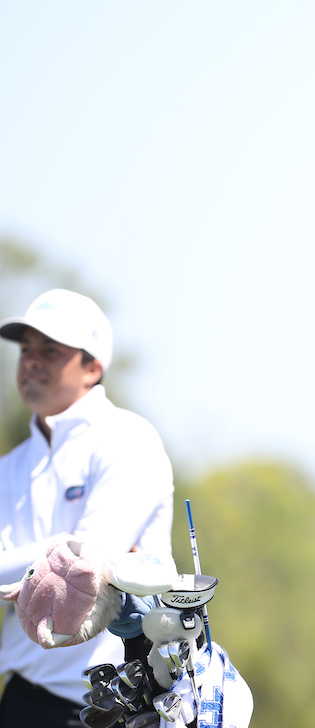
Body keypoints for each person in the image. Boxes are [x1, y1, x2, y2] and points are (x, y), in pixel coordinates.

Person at [0, 289, 174, 728]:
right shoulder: (10, 467)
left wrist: (71, 550)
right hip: (23, 698)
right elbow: (68, 554)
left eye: (50, 350)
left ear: (92, 367)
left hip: (121, 702)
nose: (31, 360)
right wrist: (63, 546)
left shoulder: (127, 437)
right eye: (26, 349)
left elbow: (87, 565)